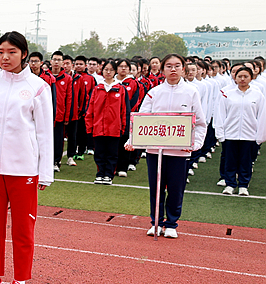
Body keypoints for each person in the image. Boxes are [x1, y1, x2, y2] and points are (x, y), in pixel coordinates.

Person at [0, 31, 53, 284]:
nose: (5, 58)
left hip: (23, 170)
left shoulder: (38, 87)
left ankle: (19, 282)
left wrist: (45, 172)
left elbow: (44, 133)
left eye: (12, 52)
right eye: (2, 52)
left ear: (24, 54)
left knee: (22, 229)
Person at [126, 54, 207, 239]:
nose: (173, 69)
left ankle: (171, 224)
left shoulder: (191, 92)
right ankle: (156, 222)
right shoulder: (154, 92)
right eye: (168, 66)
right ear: (162, 69)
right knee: (156, 188)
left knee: (176, 188)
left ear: (183, 69)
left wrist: (195, 145)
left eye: (177, 66)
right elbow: (142, 120)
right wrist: (132, 140)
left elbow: (201, 123)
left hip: (180, 152)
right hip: (156, 151)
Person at [216, 66, 265, 196]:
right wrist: (220, 133)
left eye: (246, 76)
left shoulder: (258, 94)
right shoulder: (227, 94)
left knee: (246, 161)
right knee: (230, 161)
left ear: (251, 78)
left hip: (249, 134)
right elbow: (220, 114)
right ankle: (230, 184)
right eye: (239, 76)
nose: (242, 79)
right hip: (230, 134)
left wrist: (260, 135)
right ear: (235, 78)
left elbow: (261, 116)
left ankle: (243, 185)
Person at [85, 60, 126, 185]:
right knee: (99, 153)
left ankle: (109, 175)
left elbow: (124, 110)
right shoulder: (97, 88)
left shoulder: (120, 89)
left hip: (114, 128)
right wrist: (89, 126)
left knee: (112, 153)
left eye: (111, 70)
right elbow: (90, 108)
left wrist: (123, 127)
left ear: (115, 72)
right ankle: (100, 174)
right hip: (98, 127)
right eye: (106, 69)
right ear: (102, 71)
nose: (108, 72)